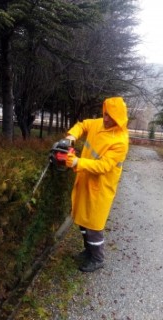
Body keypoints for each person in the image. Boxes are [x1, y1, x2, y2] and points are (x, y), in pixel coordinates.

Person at [64, 96, 129, 272]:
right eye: (105, 114)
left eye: (110, 117)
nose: (106, 119)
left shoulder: (120, 141)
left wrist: (77, 162)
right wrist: (71, 136)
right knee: (83, 221)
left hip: (100, 187)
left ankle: (98, 258)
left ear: (119, 119)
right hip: (86, 180)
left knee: (94, 225)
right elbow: (83, 125)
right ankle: (88, 251)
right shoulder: (99, 123)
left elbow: (103, 166)